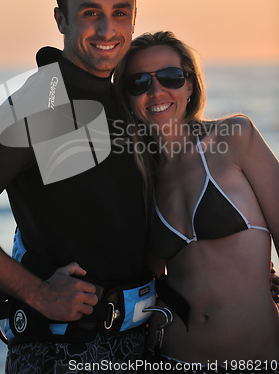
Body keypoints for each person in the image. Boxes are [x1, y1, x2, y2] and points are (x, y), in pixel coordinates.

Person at [0, 0, 155, 374]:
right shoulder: (39, 104)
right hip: (65, 353)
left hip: (138, 343)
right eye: (90, 12)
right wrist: (39, 293)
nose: (106, 29)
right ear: (61, 20)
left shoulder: (127, 97)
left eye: (120, 13)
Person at [114, 31, 279, 372]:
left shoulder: (235, 138)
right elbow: (149, 277)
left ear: (190, 85)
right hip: (172, 358)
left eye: (171, 77)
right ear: (127, 98)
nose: (156, 90)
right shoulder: (143, 179)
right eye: (139, 82)